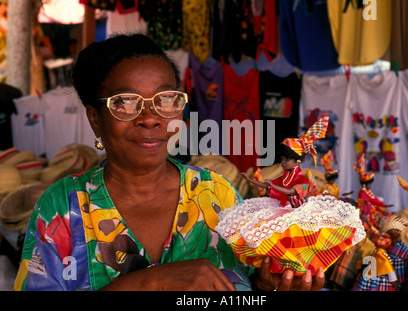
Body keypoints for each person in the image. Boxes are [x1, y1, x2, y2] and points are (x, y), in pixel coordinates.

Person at [13, 33, 324, 291]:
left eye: (165, 99)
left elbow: (244, 285)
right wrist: (152, 281)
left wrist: (265, 284)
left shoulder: (217, 194)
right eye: (125, 103)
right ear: (95, 119)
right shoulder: (62, 210)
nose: (150, 118)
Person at [242, 116, 329, 208]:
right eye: (282, 159)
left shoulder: (303, 181)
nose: (283, 162)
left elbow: (289, 191)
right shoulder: (284, 179)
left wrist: (273, 185)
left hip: (298, 214)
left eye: (286, 159)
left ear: (298, 161)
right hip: (284, 212)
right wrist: (249, 179)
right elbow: (266, 185)